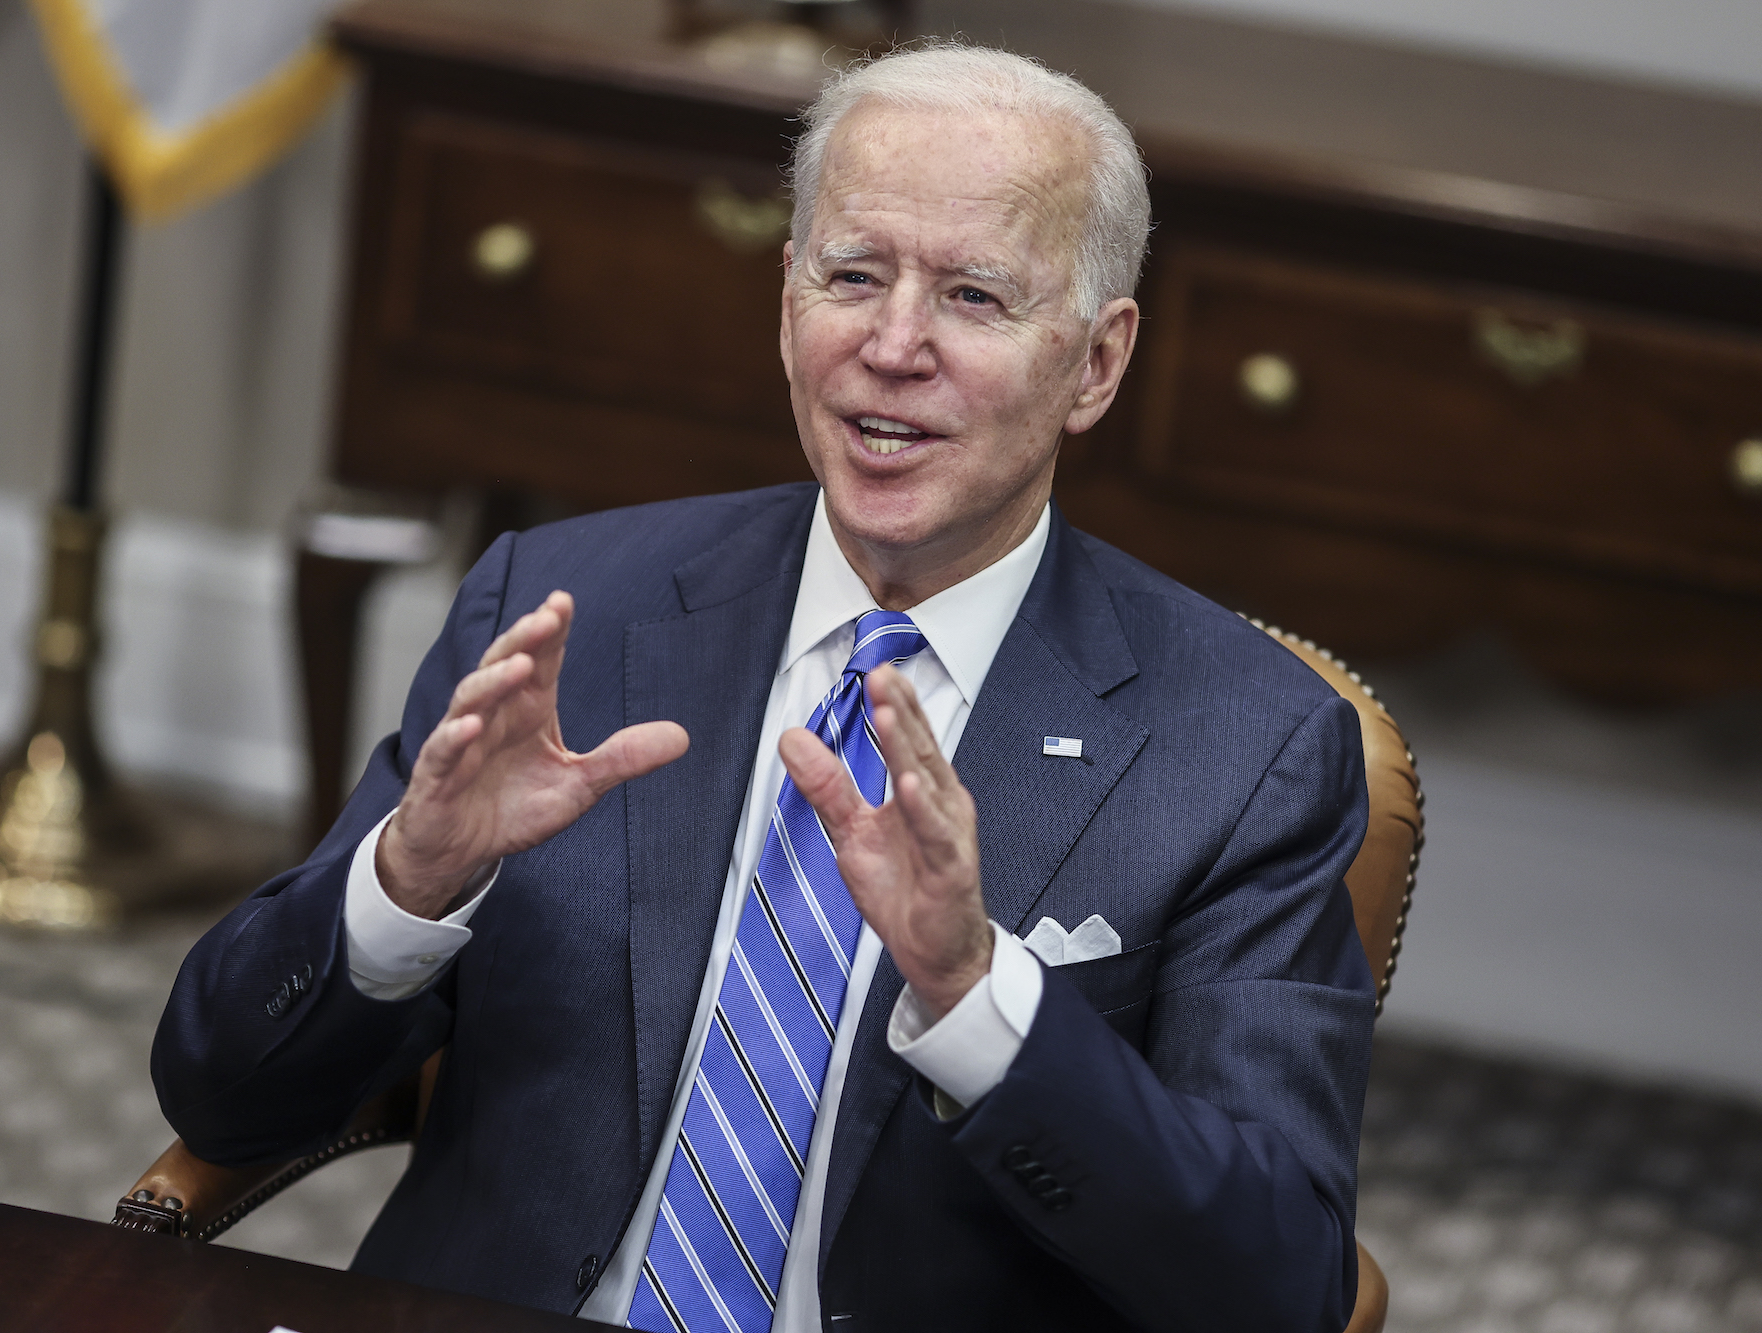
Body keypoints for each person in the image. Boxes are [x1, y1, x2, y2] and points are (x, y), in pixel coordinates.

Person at [152, 41, 1374, 1333]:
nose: (893, 345)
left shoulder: (1244, 749)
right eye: (853, 275)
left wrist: (977, 996)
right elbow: (221, 1097)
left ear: (1096, 362)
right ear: (788, 300)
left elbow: (1278, 1287)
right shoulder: (564, 612)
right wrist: (408, 882)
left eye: (972, 295)